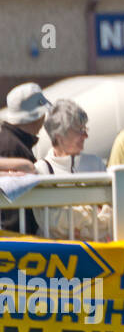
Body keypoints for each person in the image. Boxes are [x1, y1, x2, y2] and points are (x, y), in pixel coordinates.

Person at [37, 99, 113, 240]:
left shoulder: (96, 164)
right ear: (59, 136)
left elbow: (113, 215)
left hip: (98, 254)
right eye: (80, 131)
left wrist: (76, 224)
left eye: (85, 129)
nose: (86, 136)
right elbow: (51, 224)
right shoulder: (42, 170)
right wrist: (94, 212)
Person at [0, 83, 53, 234]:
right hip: (15, 243)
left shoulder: (11, 141)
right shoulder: (14, 147)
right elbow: (13, 212)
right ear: (38, 116)